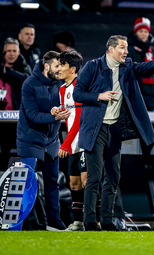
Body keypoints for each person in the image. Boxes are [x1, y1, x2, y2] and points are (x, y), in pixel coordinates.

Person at [73, 35, 154, 231]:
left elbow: (150, 66)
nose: (126, 52)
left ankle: (107, 221)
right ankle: (89, 222)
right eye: (122, 48)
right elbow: (77, 93)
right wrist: (99, 96)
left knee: (112, 178)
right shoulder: (92, 66)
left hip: (114, 130)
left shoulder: (127, 66)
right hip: (95, 129)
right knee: (94, 178)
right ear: (111, 49)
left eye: (127, 48)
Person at [16, 51, 71, 231]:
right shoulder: (29, 84)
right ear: (46, 66)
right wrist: (53, 116)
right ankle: (27, 222)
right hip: (30, 140)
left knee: (52, 181)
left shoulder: (59, 84)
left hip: (51, 141)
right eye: (56, 66)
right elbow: (32, 116)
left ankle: (54, 221)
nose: (59, 70)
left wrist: (60, 112)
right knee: (27, 182)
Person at [51, 51, 85, 231]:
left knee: (88, 181)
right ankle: (79, 222)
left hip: (84, 142)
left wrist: (65, 143)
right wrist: (56, 109)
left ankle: (96, 220)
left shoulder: (80, 86)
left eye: (62, 65)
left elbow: (79, 119)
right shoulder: (62, 89)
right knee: (74, 183)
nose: (58, 69)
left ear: (72, 69)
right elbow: (68, 112)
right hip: (72, 143)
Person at [127, 16, 154, 111]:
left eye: (146, 32)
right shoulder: (129, 49)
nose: (143, 34)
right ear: (135, 32)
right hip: (137, 92)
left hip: (152, 93)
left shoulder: (152, 50)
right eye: (140, 31)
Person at [0, 37, 31, 110]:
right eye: (9, 51)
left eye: (14, 51)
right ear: (3, 52)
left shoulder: (24, 67)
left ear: (19, 52)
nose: (11, 54)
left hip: (17, 113)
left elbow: (28, 80)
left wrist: (7, 71)